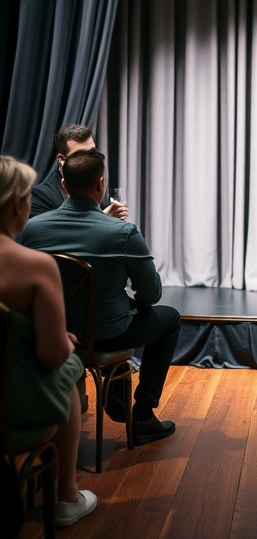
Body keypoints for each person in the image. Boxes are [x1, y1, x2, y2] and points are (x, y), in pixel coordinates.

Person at [19, 148, 182, 447]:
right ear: (101, 184)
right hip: (106, 336)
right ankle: (143, 417)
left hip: (50, 334)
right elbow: (152, 294)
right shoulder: (122, 232)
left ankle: (115, 394)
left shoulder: (32, 228)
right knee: (169, 319)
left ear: (64, 186)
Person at [0, 154, 98, 527]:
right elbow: (52, 354)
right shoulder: (34, 265)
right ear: (15, 205)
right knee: (69, 365)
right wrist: (63, 340)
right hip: (13, 408)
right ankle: (66, 497)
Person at [30, 123, 129, 220]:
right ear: (61, 159)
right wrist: (104, 217)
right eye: (80, 155)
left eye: (92, 152)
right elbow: (50, 234)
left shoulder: (98, 183)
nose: (89, 160)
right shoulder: (41, 196)